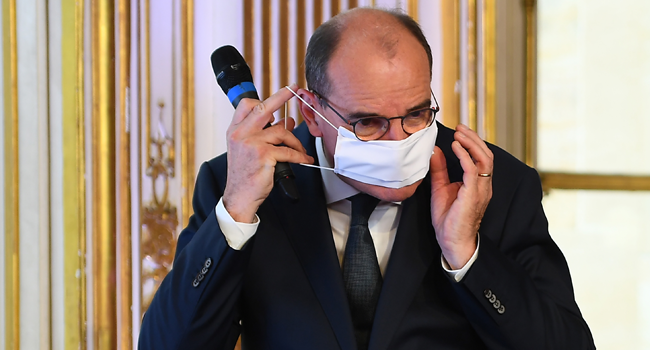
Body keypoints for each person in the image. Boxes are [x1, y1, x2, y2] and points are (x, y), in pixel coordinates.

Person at [139, 7, 595, 350]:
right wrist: (236, 211)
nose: (399, 140)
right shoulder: (236, 182)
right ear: (312, 115)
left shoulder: (492, 181)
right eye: (368, 123)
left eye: (417, 114)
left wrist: (468, 256)